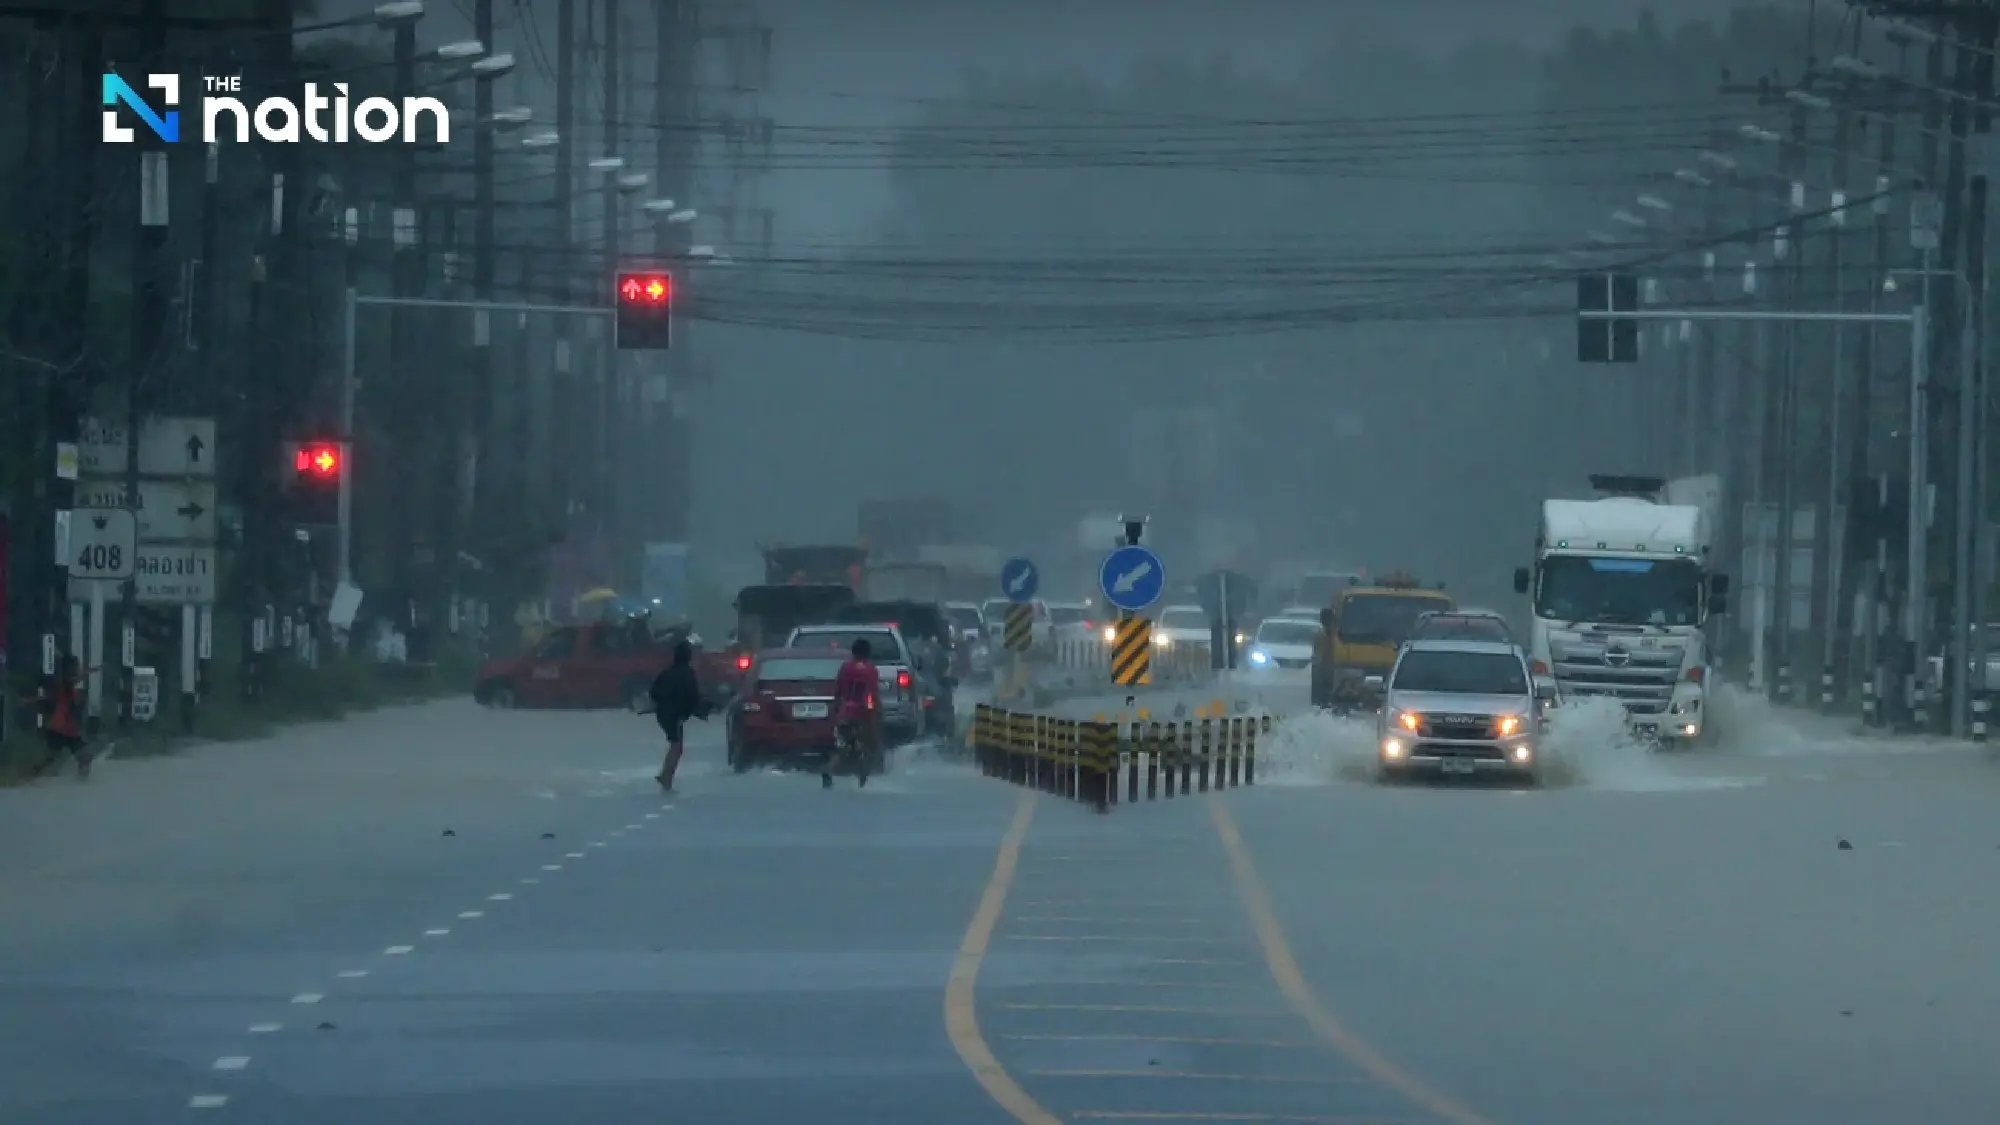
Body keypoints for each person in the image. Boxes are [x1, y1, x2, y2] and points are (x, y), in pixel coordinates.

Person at [647, 639, 709, 791]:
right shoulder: (688, 674)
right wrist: (700, 711)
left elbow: (653, 692)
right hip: (674, 715)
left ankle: (665, 775)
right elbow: (693, 697)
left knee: (676, 745)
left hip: (663, 714)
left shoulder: (667, 672)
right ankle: (666, 777)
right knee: (676, 746)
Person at [829, 636, 880, 790]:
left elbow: (837, 691)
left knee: (844, 743)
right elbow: (872, 694)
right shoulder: (871, 669)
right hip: (863, 712)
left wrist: (837, 708)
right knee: (871, 743)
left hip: (846, 711)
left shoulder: (845, 667)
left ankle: (829, 769)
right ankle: (863, 775)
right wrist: (875, 714)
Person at [33, 655, 91, 781]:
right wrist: (87, 673)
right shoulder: (65, 683)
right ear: (70, 668)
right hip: (59, 728)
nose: (78, 668)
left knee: (53, 758)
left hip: (66, 729)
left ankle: (81, 783)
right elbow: (71, 683)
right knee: (51, 758)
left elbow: (49, 697)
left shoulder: (65, 683)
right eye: (76, 666)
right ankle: (30, 775)